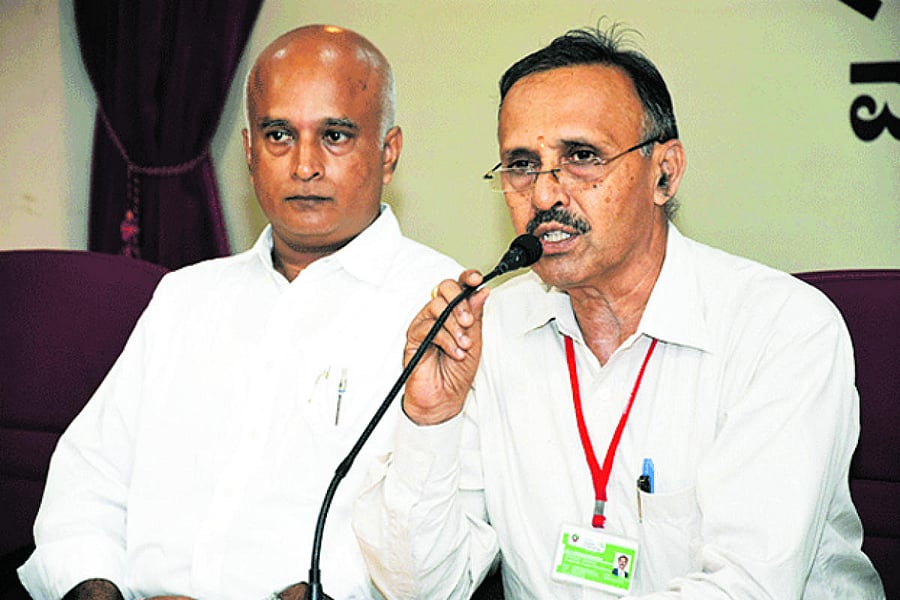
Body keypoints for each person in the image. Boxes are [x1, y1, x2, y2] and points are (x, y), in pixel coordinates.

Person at [353, 24, 886, 599]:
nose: (544, 196)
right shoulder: (491, 335)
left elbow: (744, 589)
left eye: (581, 157)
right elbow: (418, 588)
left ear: (665, 172)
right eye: (522, 164)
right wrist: (429, 420)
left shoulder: (781, 331)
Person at [18, 24, 460, 600]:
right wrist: (98, 591)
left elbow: (444, 559)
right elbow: (86, 486)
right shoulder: (185, 297)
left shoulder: (442, 309)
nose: (305, 165)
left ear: (388, 151)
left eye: (335, 135)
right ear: (250, 154)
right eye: (279, 134)